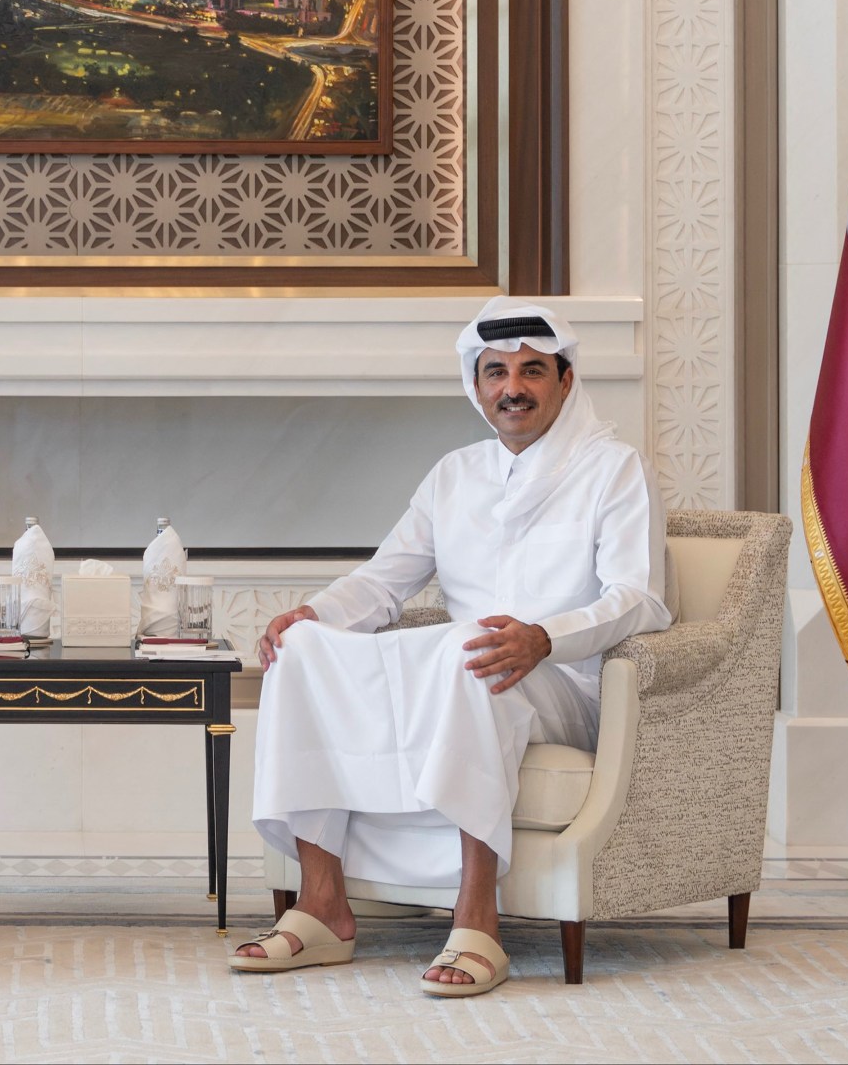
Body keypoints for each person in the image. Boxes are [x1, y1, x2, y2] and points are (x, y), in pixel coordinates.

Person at [230, 298, 671, 997]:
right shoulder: (454, 474)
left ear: (565, 380)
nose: (512, 388)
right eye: (496, 373)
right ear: (476, 386)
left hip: (567, 683)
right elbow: (385, 580)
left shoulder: (614, 468)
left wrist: (544, 637)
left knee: (476, 649)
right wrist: (314, 611)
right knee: (304, 648)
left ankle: (477, 921)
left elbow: (640, 597)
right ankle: (321, 907)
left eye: (532, 371)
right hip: (470, 668)